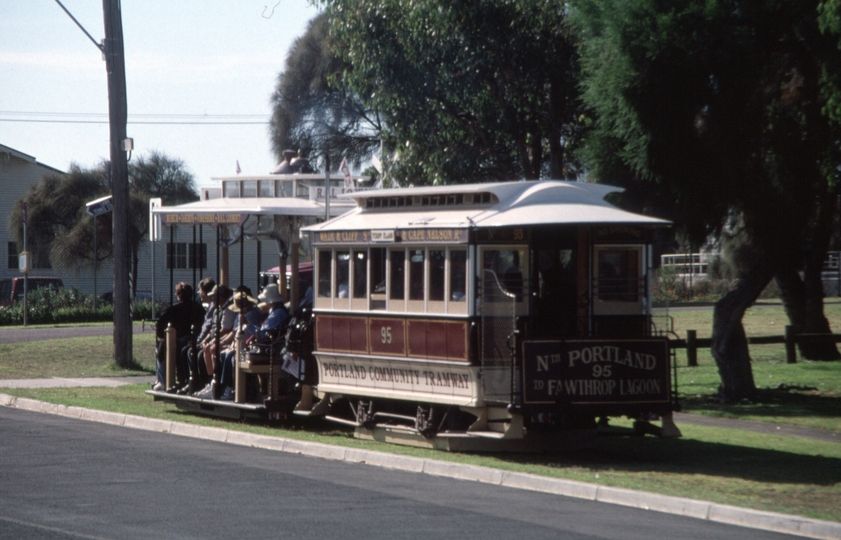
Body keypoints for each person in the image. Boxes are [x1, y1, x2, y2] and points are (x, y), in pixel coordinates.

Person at [197, 290, 265, 400]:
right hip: (238, 343)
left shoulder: (252, 314)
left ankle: (229, 388)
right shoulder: (240, 314)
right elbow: (235, 332)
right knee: (221, 354)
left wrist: (246, 324)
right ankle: (215, 384)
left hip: (251, 346)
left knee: (229, 356)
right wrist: (225, 343)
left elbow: (257, 333)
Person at [153, 282, 205, 392]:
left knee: (160, 348)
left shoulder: (171, 309)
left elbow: (160, 328)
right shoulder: (199, 308)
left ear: (178, 294)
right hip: (192, 339)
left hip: (176, 341)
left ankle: (162, 381)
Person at [194, 284, 235, 396]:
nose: (212, 299)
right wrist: (207, 339)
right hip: (218, 337)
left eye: (214, 296)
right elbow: (213, 328)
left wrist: (214, 340)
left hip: (228, 340)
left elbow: (226, 330)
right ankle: (209, 382)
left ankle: (215, 384)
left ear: (221, 297)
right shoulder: (219, 309)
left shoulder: (229, 309)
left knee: (211, 350)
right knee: (198, 351)